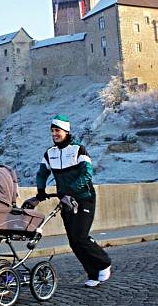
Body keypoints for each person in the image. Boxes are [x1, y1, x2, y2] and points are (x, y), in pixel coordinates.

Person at [35, 115, 112, 287]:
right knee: (73, 242)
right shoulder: (50, 154)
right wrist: (40, 190)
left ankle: (104, 262)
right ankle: (93, 274)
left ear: (66, 131)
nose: (55, 134)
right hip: (66, 202)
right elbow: (42, 173)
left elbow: (87, 174)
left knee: (80, 237)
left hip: (84, 199)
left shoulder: (78, 150)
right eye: (52, 131)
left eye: (58, 131)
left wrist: (70, 190)